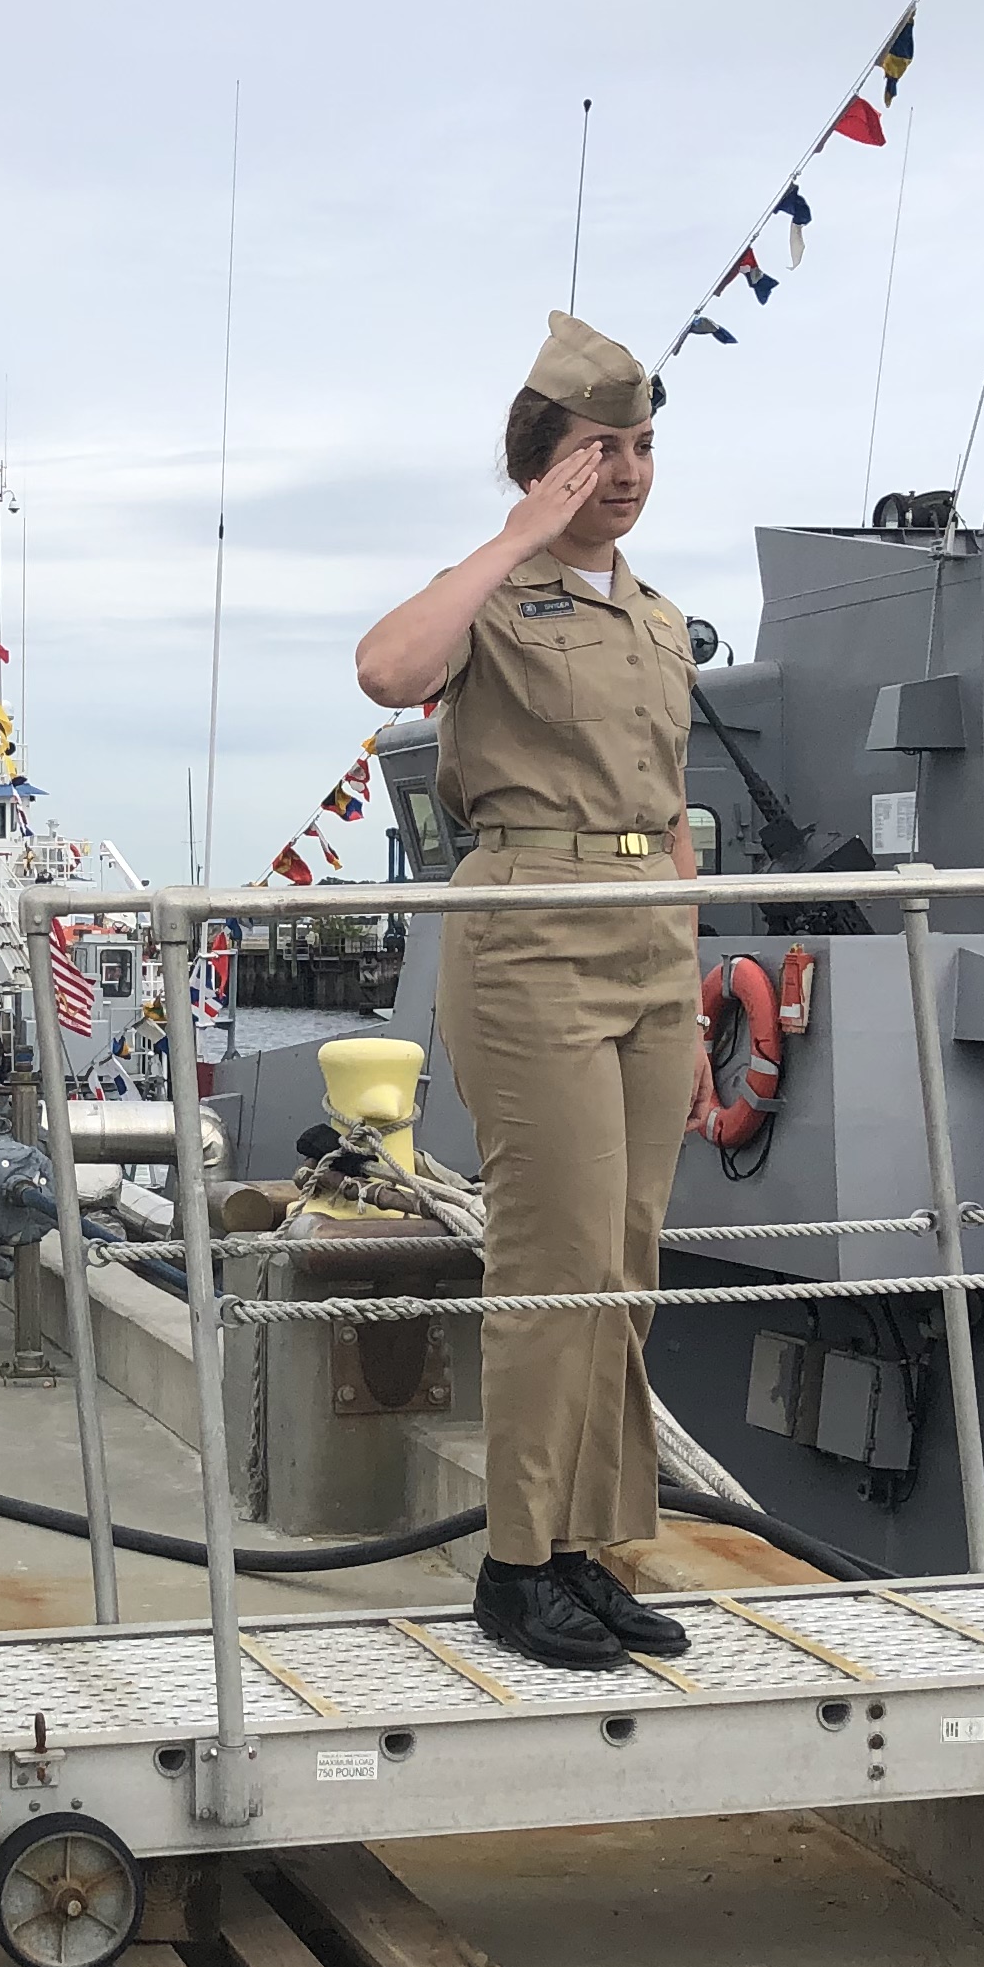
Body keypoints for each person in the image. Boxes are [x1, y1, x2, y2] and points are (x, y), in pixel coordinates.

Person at [353, 311, 711, 1673]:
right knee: (554, 1263)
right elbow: (387, 671)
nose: (622, 473)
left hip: (646, 942)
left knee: (621, 1264)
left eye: (639, 447)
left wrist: (691, 955)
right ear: (540, 467)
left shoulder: (660, 620)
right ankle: (516, 1566)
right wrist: (512, 537)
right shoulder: (492, 595)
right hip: (530, 934)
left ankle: (587, 1547)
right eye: (594, 452)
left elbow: (667, 804)